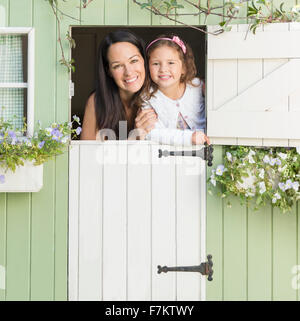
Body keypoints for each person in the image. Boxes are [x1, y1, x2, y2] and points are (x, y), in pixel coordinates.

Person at [80, 30, 157, 140]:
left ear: (144, 60)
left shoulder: (159, 95)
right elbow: (85, 153)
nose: (128, 72)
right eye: (117, 66)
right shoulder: (97, 101)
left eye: (134, 61)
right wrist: (135, 137)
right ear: (109, 71)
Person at [140, 34, 210, 146]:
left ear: (184, 67)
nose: (163, 69)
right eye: (156, 64)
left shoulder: (197, 86)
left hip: (205, 149)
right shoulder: (148, 97)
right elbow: (151, 133)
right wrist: (189, 138)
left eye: (171, 63)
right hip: (170, 156)